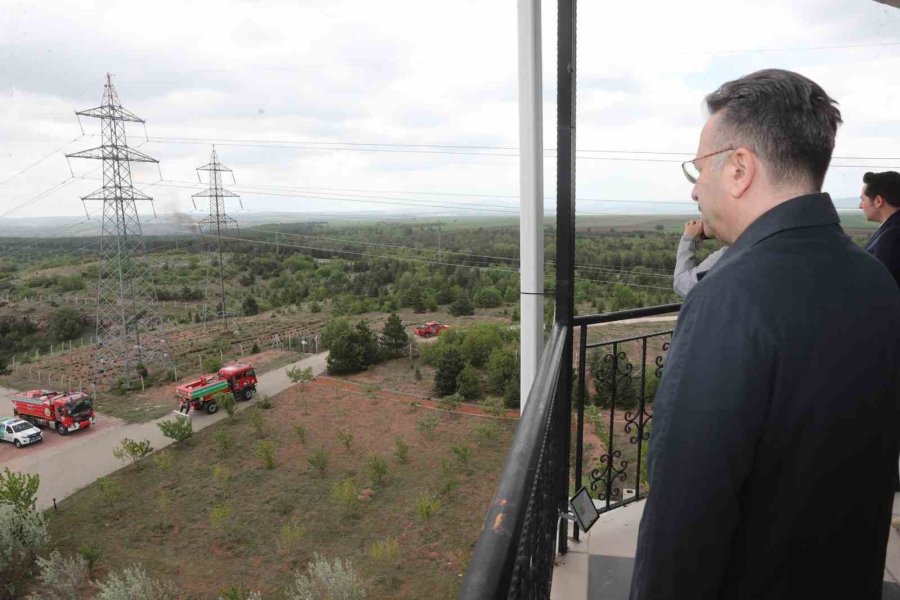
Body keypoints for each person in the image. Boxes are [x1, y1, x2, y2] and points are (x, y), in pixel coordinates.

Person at [629, 69, 900, 600]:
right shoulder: (876, 281)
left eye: (698, 166)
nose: (693, 187)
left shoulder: (729, 299)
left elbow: (683, 523)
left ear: (738, 169)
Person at [860, 170, 900, 287]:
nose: (860, 205)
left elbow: (880, 285)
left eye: (862, 199)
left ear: (878, 201)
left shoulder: (891, 237)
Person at [673, 218, 727, 297]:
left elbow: (682, 284)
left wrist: (688, 238)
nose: (700, 220)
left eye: (701, 210)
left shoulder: (730, 254)